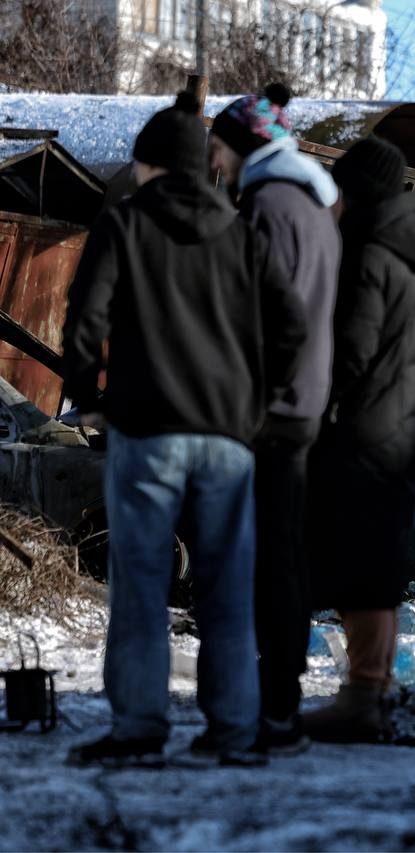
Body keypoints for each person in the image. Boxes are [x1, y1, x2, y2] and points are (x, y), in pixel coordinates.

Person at [62, 93, 306, 767]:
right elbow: (292, 328)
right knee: (228, 584)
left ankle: (140, 725)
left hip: (146, 430)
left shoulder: (126, 223)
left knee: (140, 581)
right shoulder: (241, 232)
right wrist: (258, 404)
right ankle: (233, 728)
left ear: (154, 166)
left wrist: (86, 396)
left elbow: (85, 317)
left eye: (139, 165)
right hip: (229, 436)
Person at [210, 83, 340, 754]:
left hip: (270, 411)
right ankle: (278, 704)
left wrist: (245, 399)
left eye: (221, 149)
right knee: (283, 556)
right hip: (306, 402)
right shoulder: (314, 205)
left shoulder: (265, 206)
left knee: (261, 563)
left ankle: (273, 708)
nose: (216, 162)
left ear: (247, 148)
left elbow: (267, 318)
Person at [303, 137, 415, 743]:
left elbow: (349, 352)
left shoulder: (366, 253)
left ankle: (362, 696)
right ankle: (371, 689)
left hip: (361, 429)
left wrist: (318, 407)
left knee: (358, 564)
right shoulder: (402, 252)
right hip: (395, 426)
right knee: (374, 564)